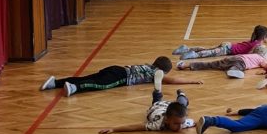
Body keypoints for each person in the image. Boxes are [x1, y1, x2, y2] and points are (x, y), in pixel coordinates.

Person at [42, 55, 199, 97]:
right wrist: (192, 81)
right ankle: (75, 88)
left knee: (89, 76)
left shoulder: (147, 66)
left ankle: (55, 83)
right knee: (99, 84)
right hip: (122, 77)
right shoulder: (156, 73)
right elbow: (172, 81)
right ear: (163, 71)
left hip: (117, 68)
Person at [98, 85, 196, 134]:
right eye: (176, 124)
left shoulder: (183, 122)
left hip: (167, 106)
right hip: (156, 107)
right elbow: (134, 127)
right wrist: (114, 129)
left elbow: (198, 122)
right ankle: (160, 93)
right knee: (157, 102)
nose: (180, 127)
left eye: (182, 123)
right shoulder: (157, 124)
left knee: (183, 105)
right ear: (167, 120)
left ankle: (164, 92)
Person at [174, 26, 267, 61]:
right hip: (227, 49)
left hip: (228, 45)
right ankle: (193, 55)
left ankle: (186, 48)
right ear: (264, 37)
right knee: (210, 52)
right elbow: (249, 55)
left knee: (208, 49)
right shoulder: (257, 45)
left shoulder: (253, 40)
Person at [177, 49, 267, 80]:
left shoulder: (252, 54)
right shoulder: (261, 57)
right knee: (238, 67)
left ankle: (185, 65)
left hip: (231, 58)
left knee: (210, 64)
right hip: (240, 61)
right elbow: (266, 65)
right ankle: (233, 70)